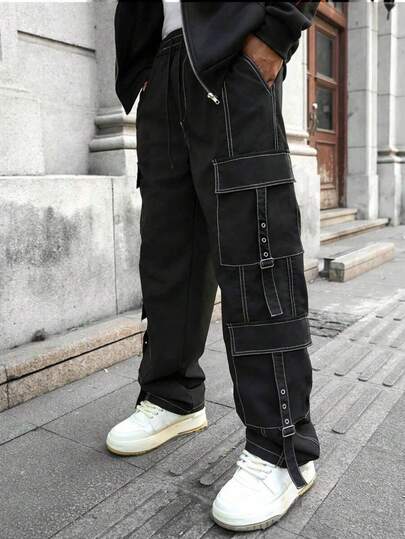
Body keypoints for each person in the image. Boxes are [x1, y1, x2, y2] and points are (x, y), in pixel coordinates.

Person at [107, 1, 320, 531]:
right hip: (162, 64)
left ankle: (282, 444)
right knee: (168, 250)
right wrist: (144, 71)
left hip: (233, 49)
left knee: (256, 248)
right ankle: (173, 395)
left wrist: (276, 32)